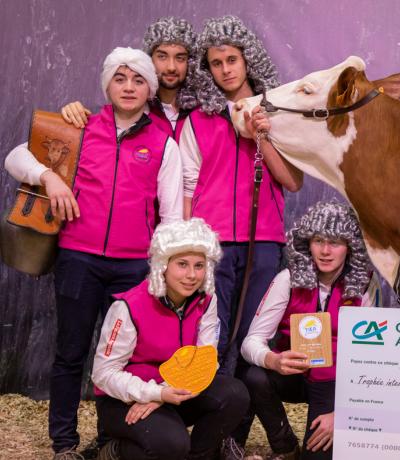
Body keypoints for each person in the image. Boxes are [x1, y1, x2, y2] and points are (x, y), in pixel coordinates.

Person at [4, 47, 184, 459]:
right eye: (120, 78)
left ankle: (109, 441)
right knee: (70, 352)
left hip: (133, 267)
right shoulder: (79, 125)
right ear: (107, 83)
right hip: (78, 260)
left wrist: (158, 271)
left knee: (120, 360)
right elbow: (16, 157)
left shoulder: (163, 143)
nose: (129, 87)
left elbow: (172, 217)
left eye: (139, 80)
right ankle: (64, 444)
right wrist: (49, 177)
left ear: (150, 90)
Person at [180, 15, 303, 376]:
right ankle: (212, 419)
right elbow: (188, 187)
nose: (225, 70)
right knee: (212, 334)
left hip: (262, 241)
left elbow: (293, 182)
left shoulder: (276, 114)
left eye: (231, 60)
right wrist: (190, 243)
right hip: (211, 241)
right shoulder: (198, 120)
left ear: (247, 60)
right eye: (216, 63)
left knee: (250, 335)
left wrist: (261, 136)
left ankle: (237, 428)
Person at [92, 218, 249, 460]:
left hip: (175, 390)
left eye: (199, 265)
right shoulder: (129, 306)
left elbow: (206, 358)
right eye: (182, 264)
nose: (191, 275)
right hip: (125, 399)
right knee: (172, 444)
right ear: (163, 265)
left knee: (235, 394)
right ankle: (114, 451)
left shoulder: (206, 299)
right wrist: (152, 393)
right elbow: (103, 374)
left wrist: (162, 395)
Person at [234, 202, 379, 460]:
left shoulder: (364, 285)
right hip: (291, 373)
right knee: (253, 376)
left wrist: (343, 413)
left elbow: (371, 360)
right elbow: (251, 342)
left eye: (335, 242)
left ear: (350, 247)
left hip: (334, 384)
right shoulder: (288, 280)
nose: (325, 251)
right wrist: (273, 360)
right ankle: (285, 445)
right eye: (318, 240)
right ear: (306, 243)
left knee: (318, 456)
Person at [61, 16, 199, 141]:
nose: (171, 67)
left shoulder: (204, 111)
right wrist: (73, 111)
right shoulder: (131, 105)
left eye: (180, 58)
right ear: (149, 58)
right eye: (162, 56)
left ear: (191, 62)